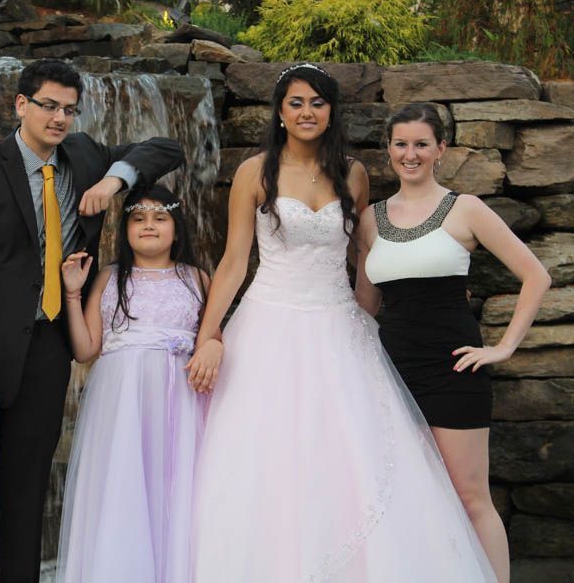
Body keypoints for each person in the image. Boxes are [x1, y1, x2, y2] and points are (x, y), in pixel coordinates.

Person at [187, 63, 497, 582]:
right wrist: (209, 336)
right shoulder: (255, 173)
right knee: (270, 455)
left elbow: (364, 261)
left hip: (339, 325)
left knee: (355, 459)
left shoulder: (351, 173)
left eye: (317, 103)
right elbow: (235, 261)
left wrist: (376, 322)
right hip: (269, 323)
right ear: (280, 113)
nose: (307, 112)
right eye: (296, 103)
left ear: (332, 112)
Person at [0, 59, 184, 583]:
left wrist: (113, 181)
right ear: (21, 105)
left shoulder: (84, 157)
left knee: (26, 506)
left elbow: (167, 148)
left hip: (47, 353)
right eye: (49, 106)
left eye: (69, 109)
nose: (59, 118)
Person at [355, 103, 551, 583]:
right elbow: (363, 305)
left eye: (422, 143)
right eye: (401, 144)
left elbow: (536, 275)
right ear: (388, 151)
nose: (410, 154)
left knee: (468, 494)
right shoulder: (370, 219)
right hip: (390, 372)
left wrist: (502, 347)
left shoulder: (466, 208)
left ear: (441, 149)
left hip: (454, 369)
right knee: (406, 493)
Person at [55, 184, 211, 583]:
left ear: (177, 228)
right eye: (139, 219)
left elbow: (212, 339)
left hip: (181, 398)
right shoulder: (109, 279)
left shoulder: (198, 279)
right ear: (124, 229)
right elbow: (86, 347)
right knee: (123, 484)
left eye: (160, 218)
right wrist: (72, 295)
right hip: (121, 399)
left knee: (177, 487)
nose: (149, 226)